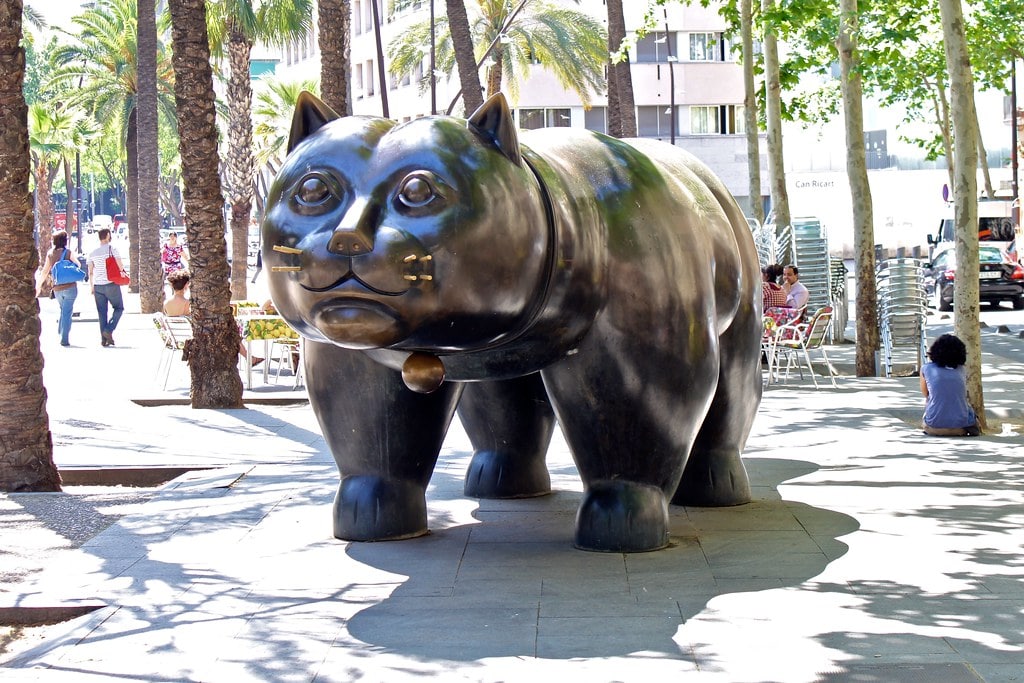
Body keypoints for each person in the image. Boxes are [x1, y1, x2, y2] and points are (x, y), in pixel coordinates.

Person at [919, 333, 980, 436]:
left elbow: (926, 394)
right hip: (961, 427)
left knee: (930, 399)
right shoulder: (961, 370)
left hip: (933, 427)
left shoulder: (926, 368)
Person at [38, 230, 80, 347]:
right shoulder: (68, 253)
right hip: (71, 287)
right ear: (65, 241)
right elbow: (78, 265)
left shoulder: (50, 254)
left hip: (57, 288)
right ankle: (64, 338)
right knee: (67, 312)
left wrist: (39, 286)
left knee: (63, 309)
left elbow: (45, 271)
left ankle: (61, 330)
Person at [86, 228, 126, 347]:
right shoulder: (112, 249)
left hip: (98, 285)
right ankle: (108, 330)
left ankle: (103, 339)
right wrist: (123, 274)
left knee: (102, 313)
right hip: (111, 284)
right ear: (108, 235)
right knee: (119, 308)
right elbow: (120, 266)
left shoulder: (92, 252)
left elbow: (90, 272)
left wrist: (92, 286)